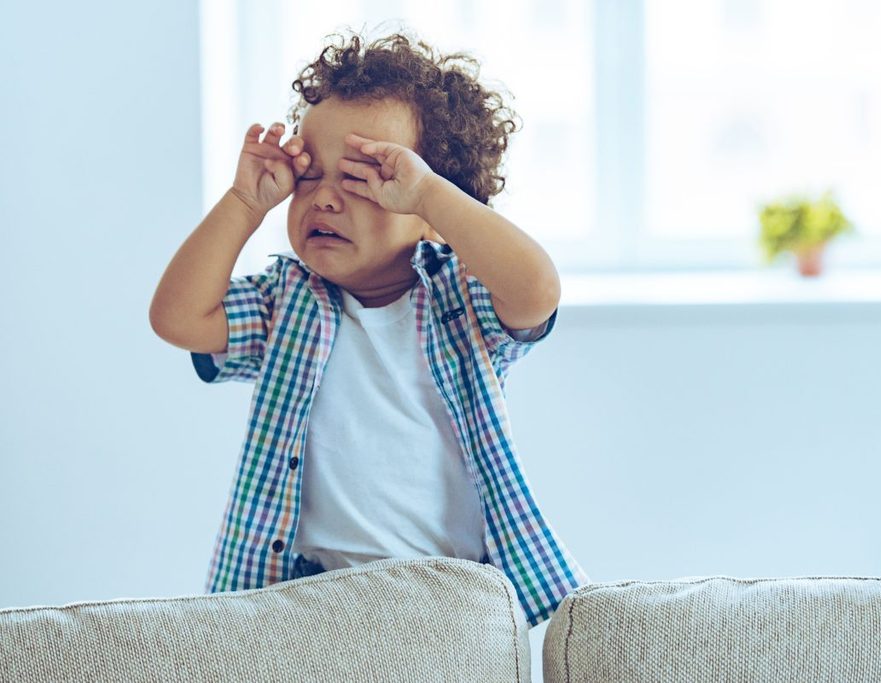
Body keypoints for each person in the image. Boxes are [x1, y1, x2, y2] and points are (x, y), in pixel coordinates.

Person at [149, 29, 588, 627]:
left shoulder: (462, 301)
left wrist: (429, 193)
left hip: (448, 597)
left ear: (431, 212)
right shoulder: (286, 301)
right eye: (310, 176)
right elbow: (177, 319)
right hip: (307, 597)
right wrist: (245, 203)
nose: (325, 199)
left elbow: (537, 291)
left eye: (364, 179)